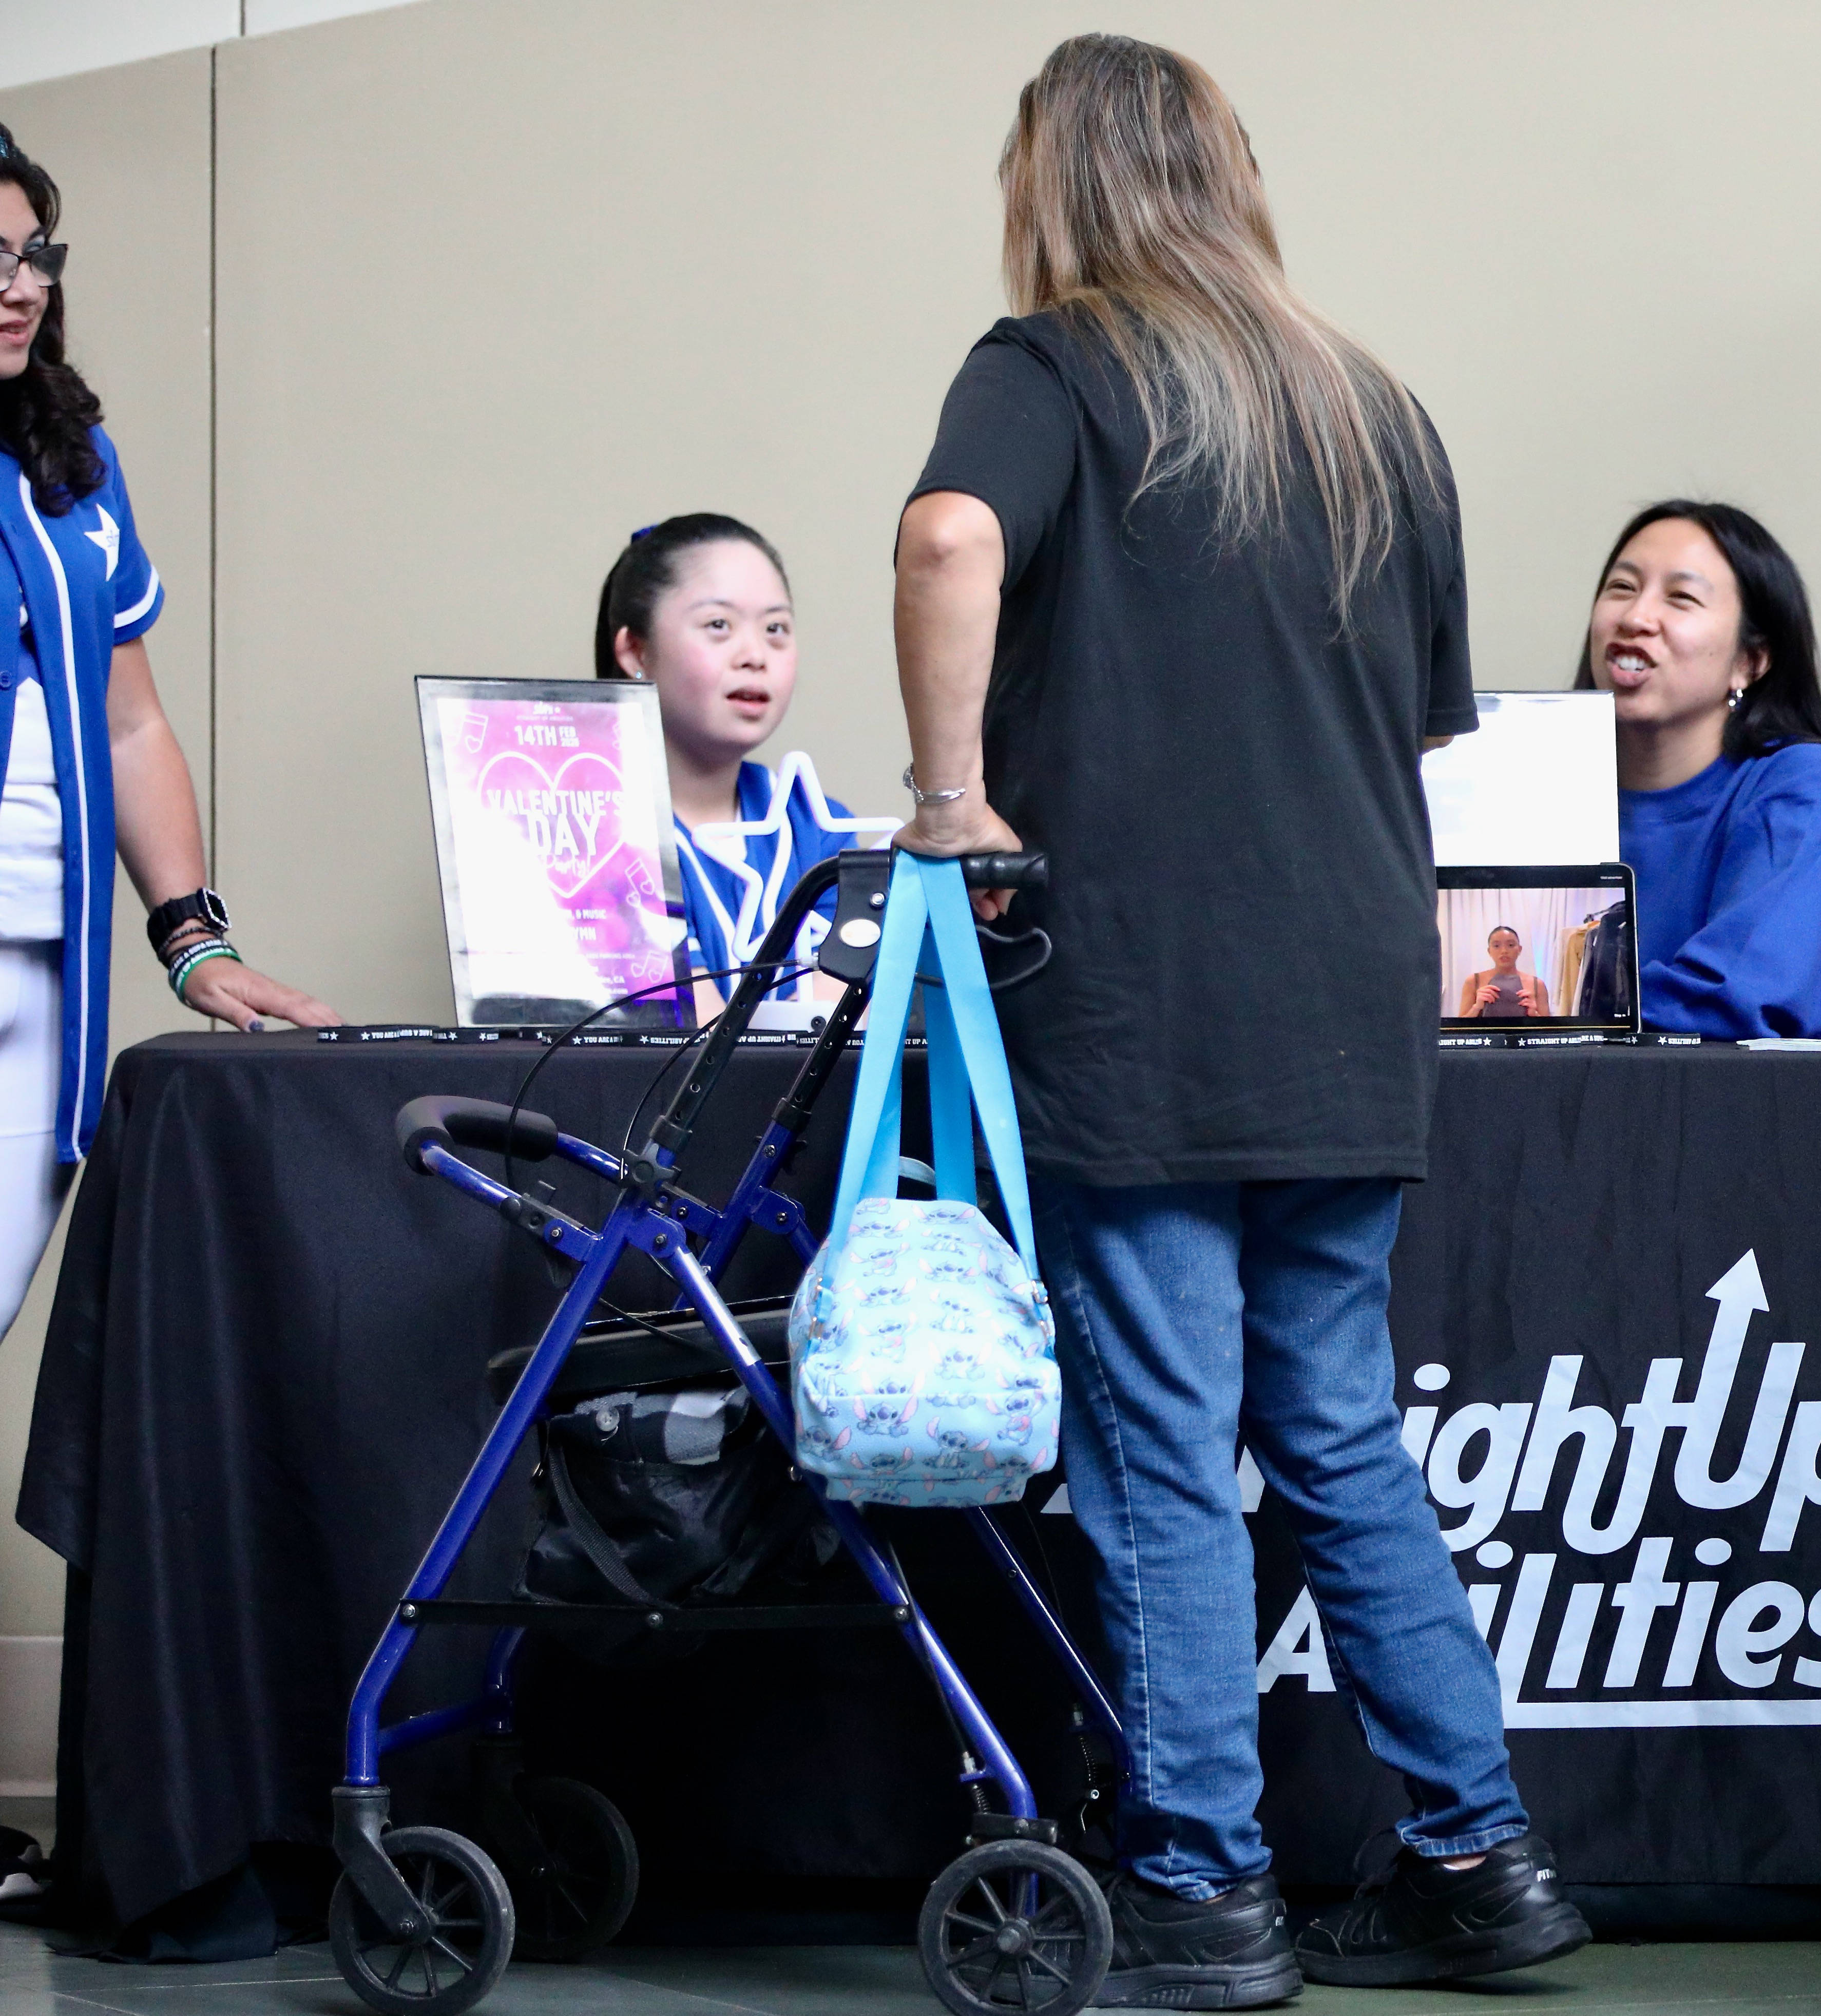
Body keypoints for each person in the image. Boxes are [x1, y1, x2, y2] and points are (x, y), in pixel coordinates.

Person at [886, 34, 1586, 2005]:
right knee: (1341, 1439)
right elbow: (1419, 730)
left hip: (1140, 998)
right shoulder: (1373, 410)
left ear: (1058, 179)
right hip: (1351, 995)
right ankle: (1487, 1862)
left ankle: (1203, 1884)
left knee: (1165, 1456)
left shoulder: (1049, 368)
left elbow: (948, 540)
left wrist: (953, 795)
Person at [0, 123, 332, 1329]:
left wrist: (194, 940)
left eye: (38, 255)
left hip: (43, 971)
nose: (23, 287)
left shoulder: (73, 461)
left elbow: (129, 724)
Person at [1576, 500, 1821, 1039]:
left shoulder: (1807, 788)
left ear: (1750, 661)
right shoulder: (1531, 788)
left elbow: (1742, 997)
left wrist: (1551, 1015)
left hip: (1757, 1117)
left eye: (1680, 598)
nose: (1635, 618)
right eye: (1621, 588)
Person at [593, 515, 889, 1006]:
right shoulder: (592, 834)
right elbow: (693, 1050)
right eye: (718, 625)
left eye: (776, 628)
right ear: (635, 650)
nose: (755, 654)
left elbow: (832, 1035)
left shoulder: (816, 825)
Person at [1457, 926, 1548, 1019]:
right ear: (1489, 951)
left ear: (1520, 950)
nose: (1504, 951)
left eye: (1511, 945)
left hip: (1523, 1033)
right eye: (1497, 946)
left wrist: (1534, 1014)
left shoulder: (1537, 984)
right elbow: (1458, 1028)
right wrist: (1476, 1008)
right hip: (1485, 1033)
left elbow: (1550, 1029)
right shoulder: (1473, 981)